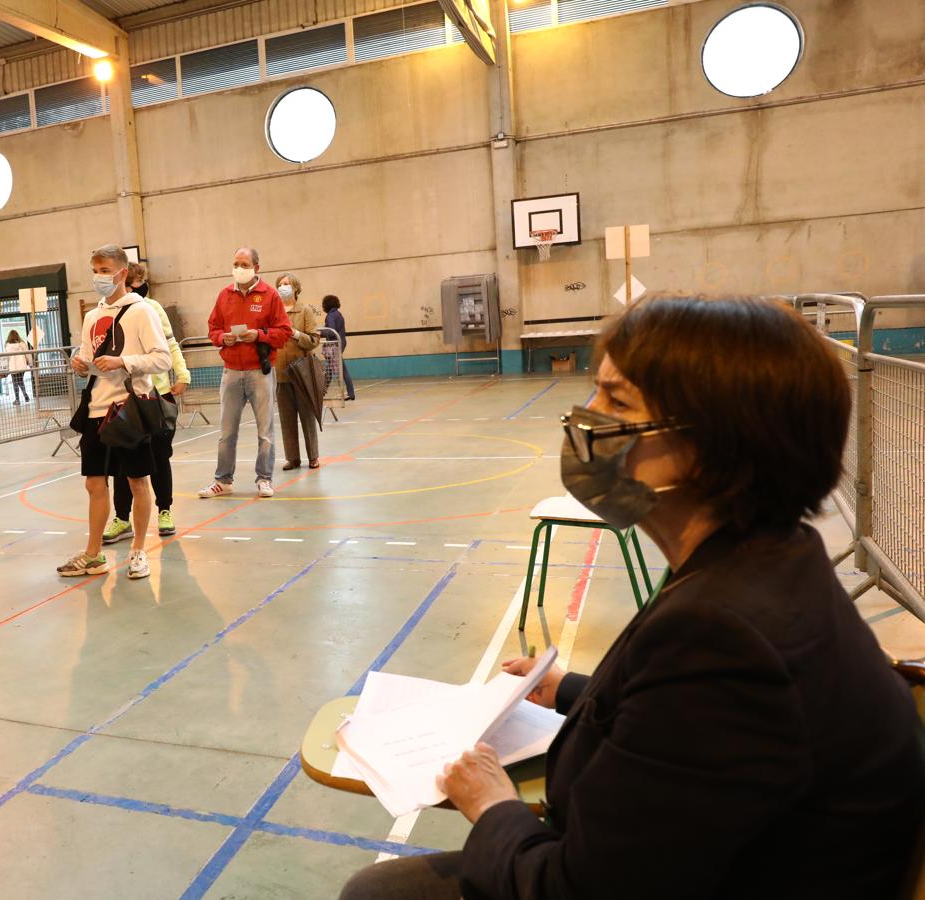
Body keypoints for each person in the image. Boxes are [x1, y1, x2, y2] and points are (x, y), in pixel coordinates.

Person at [341, 296, 925, 900]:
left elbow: (574, 890)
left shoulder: (724, 639)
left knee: (376, 894)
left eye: (617, 402)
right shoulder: (765, 560)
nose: (585, 419)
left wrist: (493, 805)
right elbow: (683, 732)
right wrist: (571, 690)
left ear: (716, 443)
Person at [58, 244, 171, 580]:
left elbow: (162, 358)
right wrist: (80, 364)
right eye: (95, 270)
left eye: (105, 270)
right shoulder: (92, 316)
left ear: (122, 273)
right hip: (96, 409)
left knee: (137, 481)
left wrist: (124, 361)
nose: (99, 277)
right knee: (95, 483)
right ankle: (94, 555)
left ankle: (139, 551)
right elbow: (87, 355)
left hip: (128, 411)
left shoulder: (141, 311)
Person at [198, 247, 293, 499]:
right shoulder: (224, 295)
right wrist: (222, 338)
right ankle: (223, 481)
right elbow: (213, 328)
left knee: (265, 431)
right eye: (236, 264)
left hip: (259, 372)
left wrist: (259, 335)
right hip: (231, 371)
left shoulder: (270, 295)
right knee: (226, 432)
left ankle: (264, 479)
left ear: (256, 268)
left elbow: (284, 332)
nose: (239, 268)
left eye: (244, 264)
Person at [105, 261, 190, 544]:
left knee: (159, 457)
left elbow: (171, 344)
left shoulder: (152, 309)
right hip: (123, 398)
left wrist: (183, 374)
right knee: (123, 462)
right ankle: (122, 518)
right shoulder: (108, 312)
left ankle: (165, 510)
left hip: (157, 396)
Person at [273, 274, 322, 470]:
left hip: (302, 373)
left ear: (295, 288)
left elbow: (314, 340)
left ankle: (313, 456)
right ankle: (292, 458)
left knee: (307, 417)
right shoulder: (274, 312)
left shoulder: (305, 311)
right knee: (286, 419)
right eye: (280, 284)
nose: (282, 287)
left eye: (286, 284)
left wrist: (295, 334)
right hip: (281, 373)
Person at [321, 295, 356, 401]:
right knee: (330, 370)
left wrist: (320, 332)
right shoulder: (338, 314)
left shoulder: (330, 316)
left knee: (340, 370)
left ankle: (350, 393)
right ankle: (322, 392)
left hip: (334, 345)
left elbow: (332, 331)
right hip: (341, 343)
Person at [3, 329, 32, 406]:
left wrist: (6, 368)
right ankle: (25, 395)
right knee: (20, 381)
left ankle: (17, 400)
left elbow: (7, 357)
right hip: (22, 366)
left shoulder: (8, 345)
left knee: (15, 383)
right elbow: (28, 354)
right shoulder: (22, 344)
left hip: (13, 367)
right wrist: (31, 363)